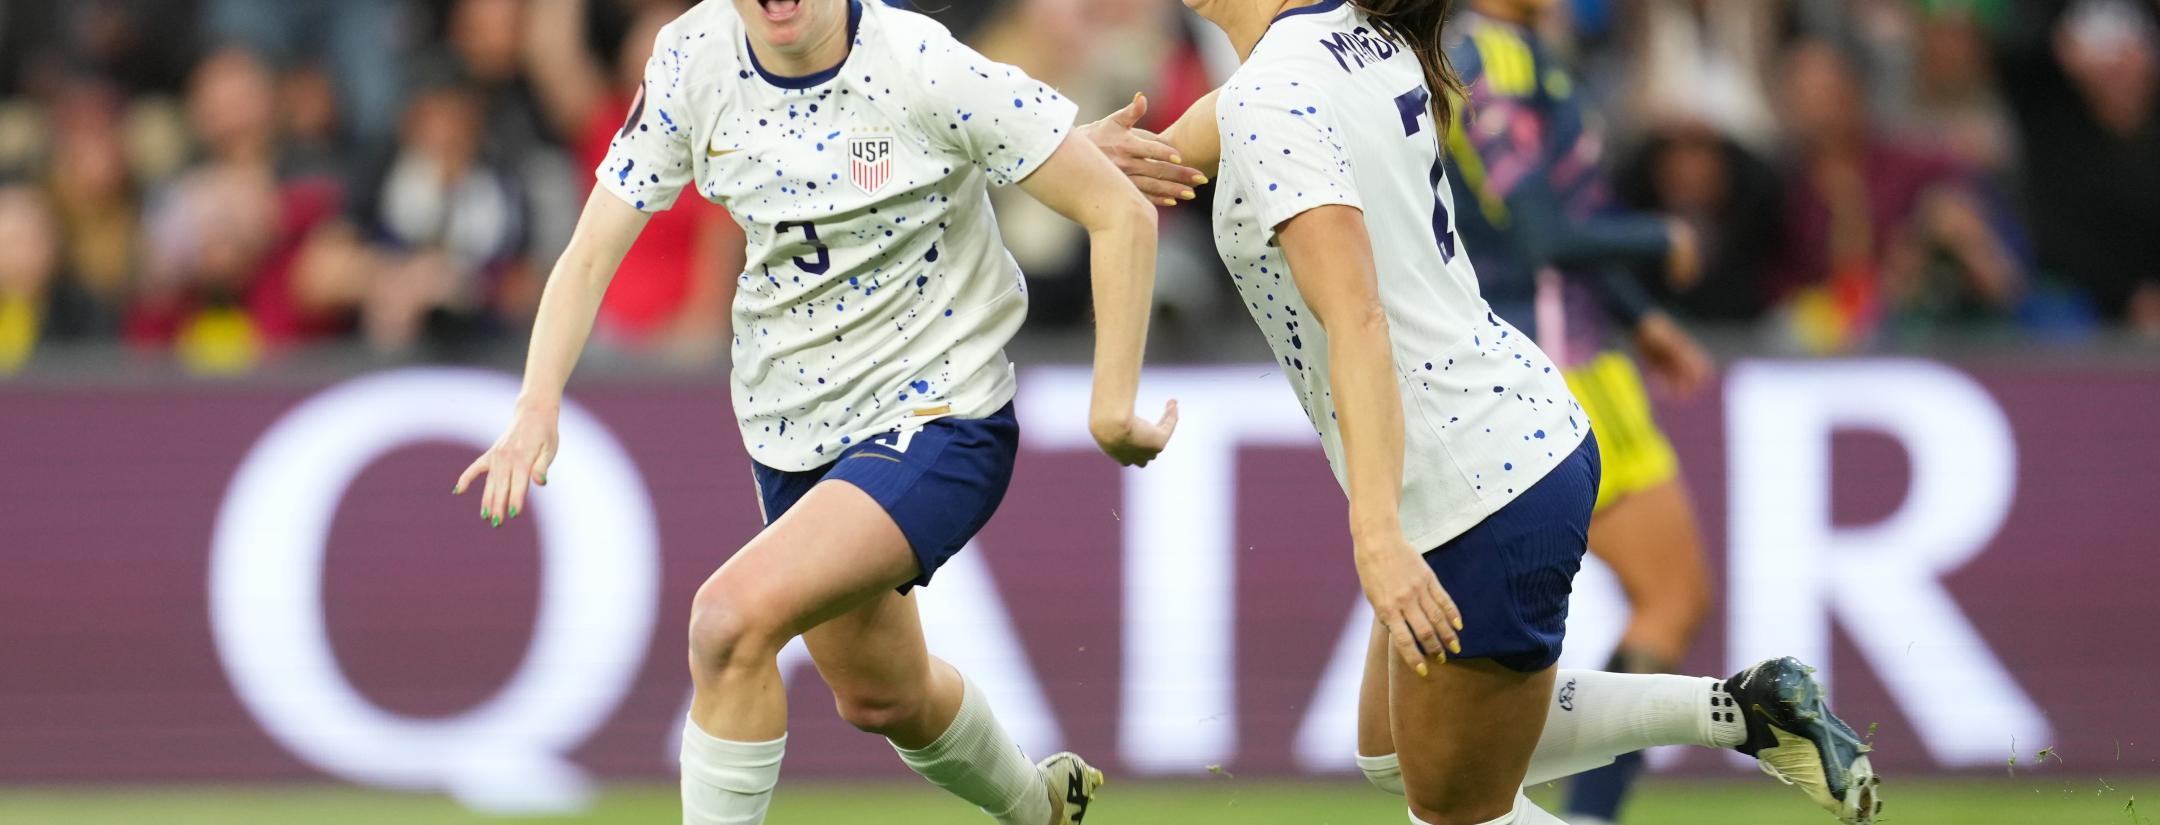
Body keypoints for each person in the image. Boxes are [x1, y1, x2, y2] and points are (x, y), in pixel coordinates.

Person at [1083, 1, 1879, 824]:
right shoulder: (1340, 43)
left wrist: (1378, 532)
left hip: (1474, 482)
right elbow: (1136, 171)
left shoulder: (1273, 93)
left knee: (1454, 808)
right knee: (1395, 750)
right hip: (1514, 435)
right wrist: (1049, 152)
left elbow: (1358, 318)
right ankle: (1746, 710)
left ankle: (1747, 713)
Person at [451, 1, 1171, 824]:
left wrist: (1112, 405)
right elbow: (587, 256)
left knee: (727, 623)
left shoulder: (922, 64)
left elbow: (1122, 210)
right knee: (884, 697)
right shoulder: (692, 58)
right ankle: (1041, 807)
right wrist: (537, 403)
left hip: (940, 407)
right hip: (792, 424)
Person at [1442, 4, 1719, 822]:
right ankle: (1583, 811)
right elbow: (1544, 238)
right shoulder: (1484, 57)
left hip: (1536, 355)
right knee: (1671, 596)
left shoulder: (1507, 51)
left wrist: (1639, 316)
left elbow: (1554, 216)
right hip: (1557, 365)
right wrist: (1656, 237)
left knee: (1488, 634)